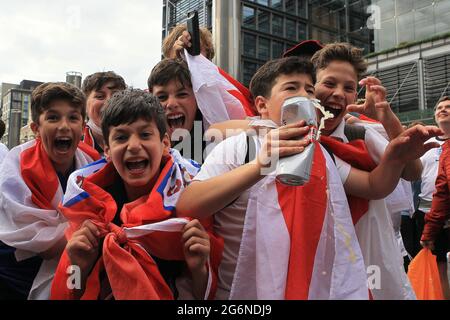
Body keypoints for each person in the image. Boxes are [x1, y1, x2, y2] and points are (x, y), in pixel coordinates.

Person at [176, 56, 441, 299]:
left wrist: (396, 156)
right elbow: (189, 205)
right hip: (241, 293)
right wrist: (259, 166)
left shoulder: (321, 154)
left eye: (310, 90)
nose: (304, 95)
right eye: (292, 88)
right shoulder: (239, 146)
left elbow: (373, 186)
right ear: (262, 105)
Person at [50, 89, 222, 300]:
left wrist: (199, 269)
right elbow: (69, 292)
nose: (133, 146)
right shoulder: (87, 205)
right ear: (108, 151)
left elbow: (206, 295)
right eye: (121, 137)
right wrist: (77, 266)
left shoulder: (192, 199)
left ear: (165, 144)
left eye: (145, 134)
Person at [0, 82, 100, 300]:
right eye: (53, 118)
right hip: (16, 278)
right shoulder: (16, 165)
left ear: (82, 127)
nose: (64, 126)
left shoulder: (94, 165)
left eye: (73, 118)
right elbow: (35, 239)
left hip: (74, 270)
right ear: (36, 129)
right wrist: (86, 233)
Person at [420, 96, 450, 300]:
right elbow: (442, 190)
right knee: (440, 263)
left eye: (449, 107)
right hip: (431, 213)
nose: (444, 110)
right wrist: (430, 229)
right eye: (440, 107)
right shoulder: (431, 146)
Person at [81, 71, 126, 155]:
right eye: (100, 96)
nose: (109, 102)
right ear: (85, 104)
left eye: (116, 96)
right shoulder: (74, 147)